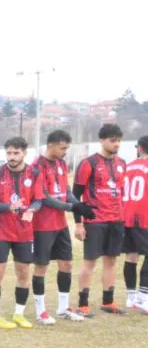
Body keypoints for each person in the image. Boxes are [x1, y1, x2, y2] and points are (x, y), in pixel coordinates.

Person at [31, 130, 94, 323]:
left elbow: (66, 192)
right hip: (42, 225)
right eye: (62, 148)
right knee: (41, 266)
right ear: (50, 145)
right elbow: (44, 197)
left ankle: (63, 308)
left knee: (66, 264)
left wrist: (80, 206)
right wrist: (71, 207)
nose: (65, 151)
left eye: (66, 148)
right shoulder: (36, 166)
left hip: (60, 225)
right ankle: (40, 312)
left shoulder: (61, 164)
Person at [0, 137, 44, 329]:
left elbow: (38, 200)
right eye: (9, 153)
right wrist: (8, 207)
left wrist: (32, 209)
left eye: (16, 153)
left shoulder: (35, 173)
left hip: (24, 232)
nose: (12, 156)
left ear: (24, 153)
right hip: (0, 232)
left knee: (24, 272)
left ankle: (19, 314)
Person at [73, 123, 128, 316]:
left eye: (119, 141)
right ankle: (83, 304)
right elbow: (75, 196)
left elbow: (121, 191)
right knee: (89, 262)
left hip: (116, 220)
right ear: (102, 141)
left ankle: (108, 302)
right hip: (95, 220)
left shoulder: (122, 163)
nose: (116, 144)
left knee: (111, 261)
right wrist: (78, 224)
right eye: (113, 140)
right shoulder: (89, 163)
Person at [121, 135, 148, 312]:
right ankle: (144, 297)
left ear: (140, 148)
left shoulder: (127, 167)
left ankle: (131, 297)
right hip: (144, 216)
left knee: (131, 255)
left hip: (126, 216)